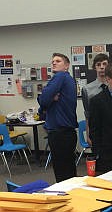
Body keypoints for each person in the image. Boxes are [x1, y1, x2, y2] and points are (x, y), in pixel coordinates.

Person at [39, 53, 78, 182]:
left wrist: (45, 100)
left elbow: (43, 99)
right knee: (69, 172)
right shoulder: (69, 79)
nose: (54, 63)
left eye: (58, 61)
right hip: (67, 133)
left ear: (66, 66)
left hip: (59, 133)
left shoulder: (60, 76)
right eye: (53, 61)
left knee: (62, 174)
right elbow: (43, 108)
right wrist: (49, 100)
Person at [82, 54, 110, 147]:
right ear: (94, 67)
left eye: (104, 64)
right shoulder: (87, 89)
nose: (102, 67)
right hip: (97, 129)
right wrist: (88, 134)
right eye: (98, 64)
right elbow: (87, 114)